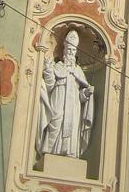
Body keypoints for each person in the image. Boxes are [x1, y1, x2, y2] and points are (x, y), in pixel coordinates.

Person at [37, 29, 94, 159]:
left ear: (76, 52)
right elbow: (50, 86)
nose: (70, 52)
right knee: (56, 121)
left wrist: (85, 93)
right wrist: (48, 70)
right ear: (64, 50)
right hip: (59, 98)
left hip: (74, 104)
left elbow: (80, 96)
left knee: (73, 126)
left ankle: (69, 152)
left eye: (73, 50)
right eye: (68, 49)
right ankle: (49, 151)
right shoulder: (58, 66)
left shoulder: (78, 70)